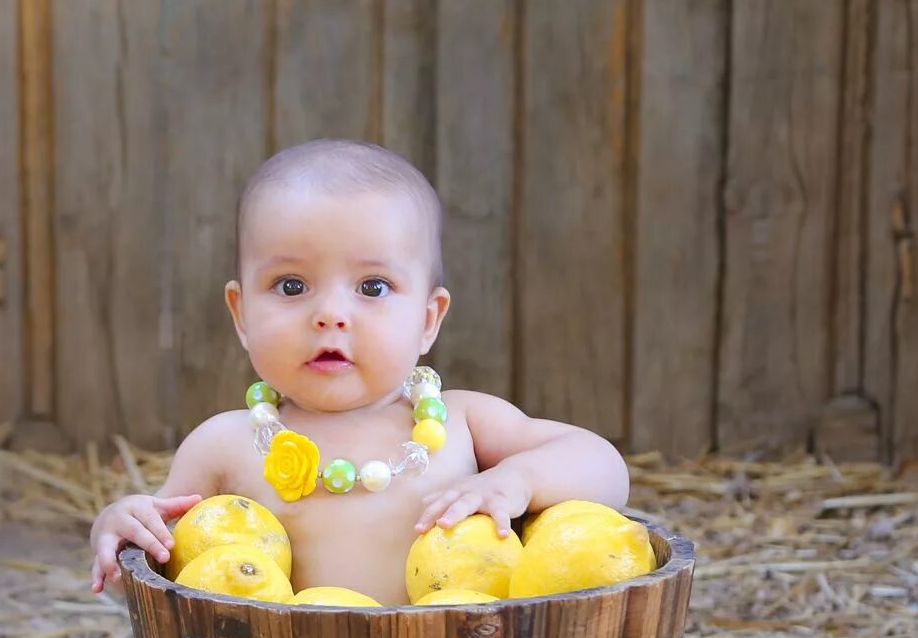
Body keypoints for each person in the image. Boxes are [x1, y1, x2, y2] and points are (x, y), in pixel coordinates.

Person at [89, 139, 628, 605]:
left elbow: (606, 469)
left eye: (372, 287)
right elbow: (155, 581)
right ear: (241, 315)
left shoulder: (465, 422)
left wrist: (517, 479)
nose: (331, 314)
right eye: (291, 286)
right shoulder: (224, 445)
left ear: (426, 319)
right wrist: (120, 532)